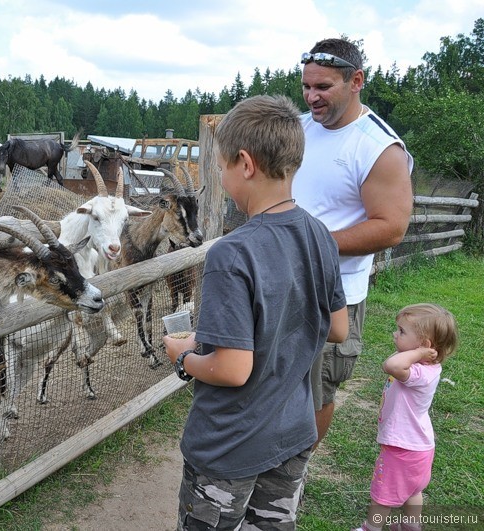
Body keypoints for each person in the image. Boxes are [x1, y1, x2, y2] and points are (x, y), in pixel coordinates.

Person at [162, 94, 348, 530]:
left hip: (230, 446)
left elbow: (232, 370)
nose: (223, 178)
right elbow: (337, 327)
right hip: (293, 433)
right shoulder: (320, 233)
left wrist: (184, 357)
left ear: (244, 163)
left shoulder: (233, 253)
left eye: (222, 167)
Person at [293, 38, 415, 448]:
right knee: (273, 380)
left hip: (333, 297)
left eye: (323, 87)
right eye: (307, 86)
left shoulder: (378, 147)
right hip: (283, 282)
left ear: (356, 81)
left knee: (317, 390)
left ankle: (295, 474)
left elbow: (391, 228)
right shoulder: (298, 128)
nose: (312, 97)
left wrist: (310, 242)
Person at [355, 303, 459, 531]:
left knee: (382, 496)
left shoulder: (419, 373)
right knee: (414, 491)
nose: (395, 334)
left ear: (424, 346)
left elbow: (389, 364)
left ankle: (370, 528)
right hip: (420, 446)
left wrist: (417, 353)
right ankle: (411, 525)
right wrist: (416, 352)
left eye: (401, 331)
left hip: (402, 448)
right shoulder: (430, 367)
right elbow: (398, 358)